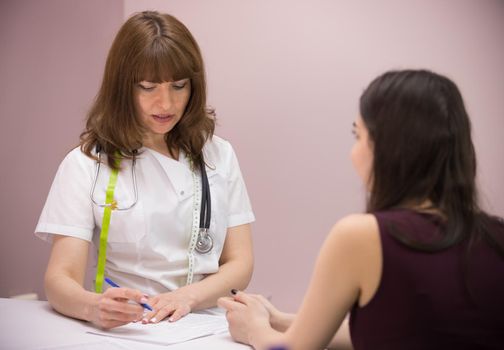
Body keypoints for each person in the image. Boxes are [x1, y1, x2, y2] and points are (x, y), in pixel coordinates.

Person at [218, 69, 504, 349]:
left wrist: (254, 330)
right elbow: (393, 331)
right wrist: (279, 320)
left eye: (358, 136)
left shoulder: (363, 235)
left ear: (388, 148)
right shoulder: (496, 235)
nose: (353, 152)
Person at [35, 11, 255, 329]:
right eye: (148, 87)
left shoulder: (218, 154)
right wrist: (92, 307)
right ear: (122, 87)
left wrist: (188, 297)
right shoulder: (86, 165)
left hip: (207, 322)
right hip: (129, 326)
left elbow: (241, 263)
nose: (165, 104)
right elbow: (60, 278)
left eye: (179, 86)